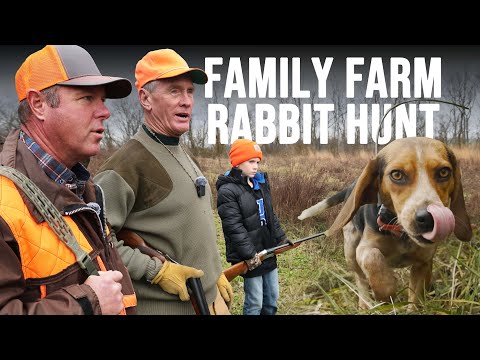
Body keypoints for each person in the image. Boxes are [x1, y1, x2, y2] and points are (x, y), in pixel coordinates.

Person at [94, 48, 233, 315]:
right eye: (174, 91)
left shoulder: (179, 151)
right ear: (145, 98)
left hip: (206, 304)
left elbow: (193, 229)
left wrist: (214, 274)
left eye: (190, 91)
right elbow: (97, 243)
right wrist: (157, 272)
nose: (187, 101)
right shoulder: (127, 164)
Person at [0, 45, 137, 315]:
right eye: (87, 98)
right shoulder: (5, 206)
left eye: (103, 100)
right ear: (38, 104)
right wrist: (87, 303)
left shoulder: (81, 186)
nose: (105, 112)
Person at [216, 139, 291, 315]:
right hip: (250, 256)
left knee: (272, 299)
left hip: (268, 249)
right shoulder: (228, 191)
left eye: (257, 162)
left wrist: (280, 238)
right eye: (251, 161)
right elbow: (233, 227)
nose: (256, 166)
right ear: (237, 162)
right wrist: (250, 255)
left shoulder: (261, 183)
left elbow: (270, 215)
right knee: (255, 303)